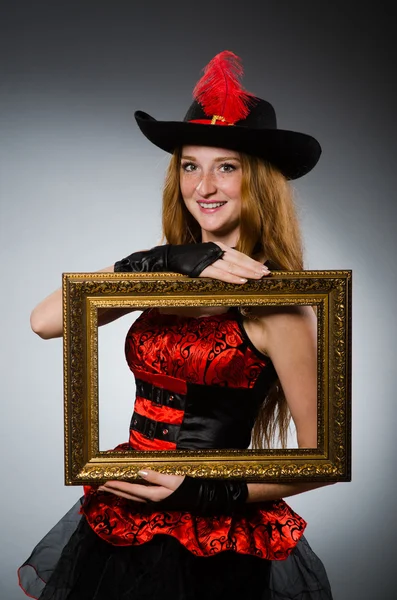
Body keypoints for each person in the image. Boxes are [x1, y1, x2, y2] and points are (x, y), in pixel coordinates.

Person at [18, 51, 333, 599]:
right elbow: (44, 322)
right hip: (122, 513)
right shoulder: (164, 275)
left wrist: (202, 493)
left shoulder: (280, 304)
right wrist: (156, 260)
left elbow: (325, 458)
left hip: (214, 534)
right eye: (190, 165)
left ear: (257, 181)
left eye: (226, 166)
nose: (203, 186)